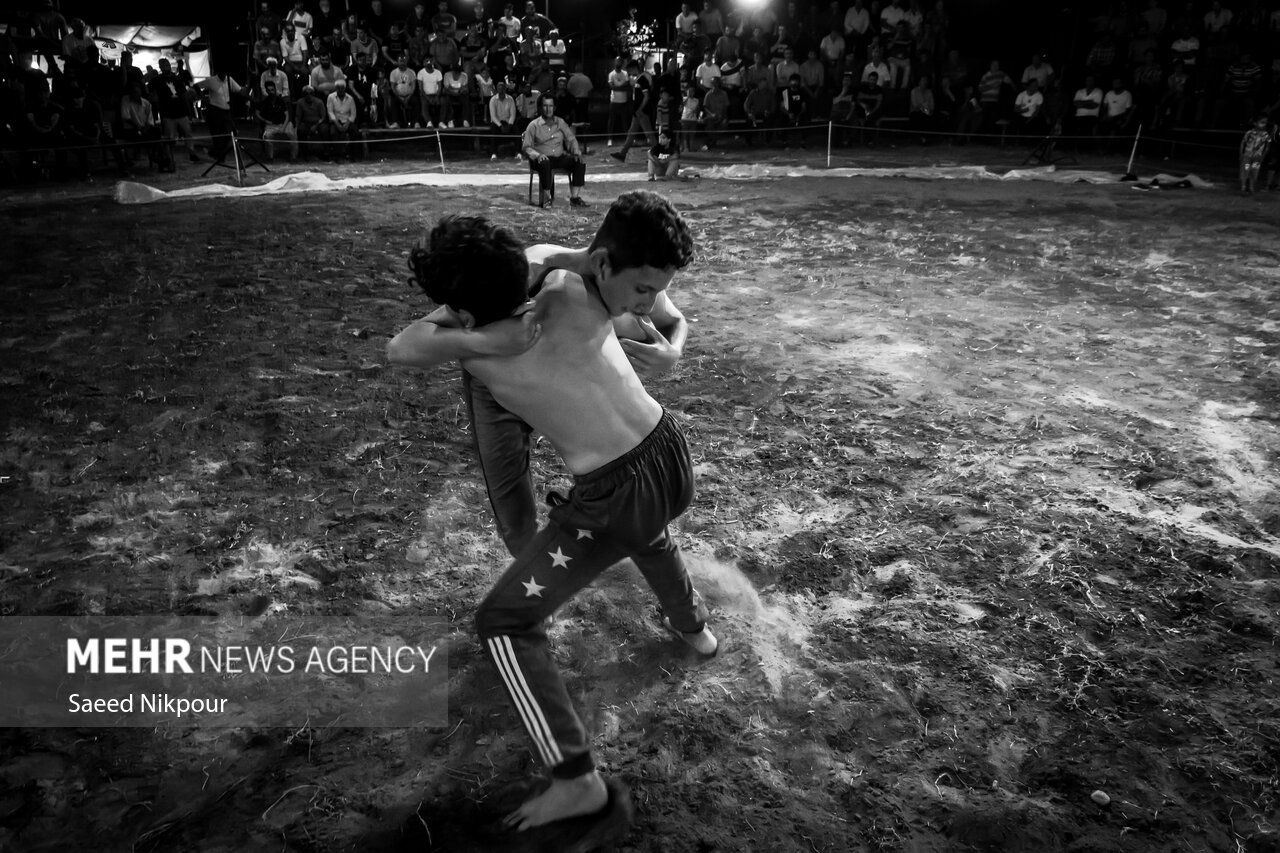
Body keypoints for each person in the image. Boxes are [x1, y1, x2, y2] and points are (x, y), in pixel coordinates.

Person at [388, 196, 715, 831]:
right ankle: (695, 630)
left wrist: (473, 336)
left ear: (458, 308)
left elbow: (402, 347)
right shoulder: (567, 280)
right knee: (650, 535)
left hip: (616, 492)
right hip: (668, 454)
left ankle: (577, 781)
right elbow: (550, 256)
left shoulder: (477, 353)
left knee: (503, 622)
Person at [383, 193, 693, 563]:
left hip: (555, 385)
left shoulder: (633, 277)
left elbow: (673, 321)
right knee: (512, 503)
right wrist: (484, 339)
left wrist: (673, 350)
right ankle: (533, 575)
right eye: (644, 292)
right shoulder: (529, 271)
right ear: (603, 266)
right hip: (498, 384)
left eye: (657, 291)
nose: (648, 304)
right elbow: (400, 347)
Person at [523, 93, 587, 208]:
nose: (548, 109)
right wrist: (537, 155)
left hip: (558, 157)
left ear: (555, 107)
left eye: (551, 106)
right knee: (545, 163)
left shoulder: (560, 122)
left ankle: (575, 198)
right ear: (540, 108)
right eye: (545, 106)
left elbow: (571, 139)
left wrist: (576, 151)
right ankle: (546, 200)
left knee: (579, 161)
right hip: (541, 159)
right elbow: (526, 147)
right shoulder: (533, 125)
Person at [1240, 114, 1271, 194]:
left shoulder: (1266, 135)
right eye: (1262, 122)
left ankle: (1251, 186)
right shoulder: (1249, 133)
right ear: (1255, 123)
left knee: (1254, 171)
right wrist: (1241, 154)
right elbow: (1243, 143)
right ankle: (1243, 186)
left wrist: (1263, 156)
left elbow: (1267, 147)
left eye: (1265, 123)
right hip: (1247, 155)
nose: (1264, 124)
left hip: (1257, 157)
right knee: (1245, 170)